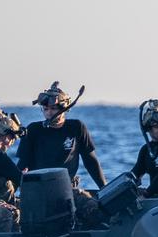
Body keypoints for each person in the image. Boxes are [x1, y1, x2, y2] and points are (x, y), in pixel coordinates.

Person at [17, 81, 105, 223]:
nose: (49, 113)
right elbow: (22, 165)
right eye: (45, 109)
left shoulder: (76, 127)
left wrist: (104, 188)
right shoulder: (33, 130)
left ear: (65, 109)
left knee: (96, 209)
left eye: (53, 108)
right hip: (39, 191)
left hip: (67, 190)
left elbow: (90, 161)